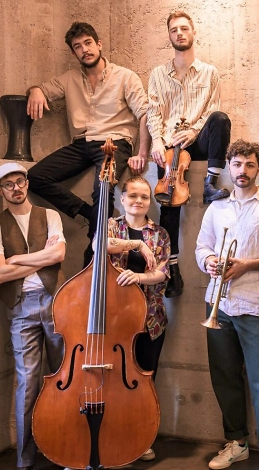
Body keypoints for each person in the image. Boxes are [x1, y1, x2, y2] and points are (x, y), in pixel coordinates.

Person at [194, 140, 259, 470]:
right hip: (217, 303)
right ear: (229, 167)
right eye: (237, 164)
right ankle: (236, 442)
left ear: (258, 167)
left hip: (255, 303)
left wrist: (247, 265)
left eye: (249, 164)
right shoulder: (216, 207)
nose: (242, 170)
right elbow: (201, 247)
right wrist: (209, 261)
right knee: (225, 377)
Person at [25, 21, 150, 264]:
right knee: (35, 177)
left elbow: (145, 114)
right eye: (78, 46)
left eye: (88, 43)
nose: (85, 49)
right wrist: (35, 91)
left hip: (114, 142)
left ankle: (94, 250)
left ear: (99, 44)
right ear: (74, 53)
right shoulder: (69, 78)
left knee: (102, 188)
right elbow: (42, 89)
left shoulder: (125, 76)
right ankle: (88, 214)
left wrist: (142, 152)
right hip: (82, 144)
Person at [0, 163, 67, 470]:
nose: (16, 188)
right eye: (9, 185)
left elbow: (59, 255)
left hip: (57, 303)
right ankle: (25, 459)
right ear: (0, 191)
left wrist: (17, 259)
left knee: (64, 377)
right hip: (21, 308)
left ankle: (66, 448)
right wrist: (42, 258)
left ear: (27, 183)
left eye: (20, 181)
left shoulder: (50, 215)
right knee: (27, 384)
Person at [146, 10, 232, 297]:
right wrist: (157, 142)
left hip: (198, 137)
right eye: (174, 30)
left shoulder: (210, 72)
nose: (179, 33)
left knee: (220, 119)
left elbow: (211, 107)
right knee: (169, 202)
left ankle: (210, 183)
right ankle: (172, 268)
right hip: (170, 143)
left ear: (193, 32)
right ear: (169, 36)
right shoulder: (158, 74)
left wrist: (194, 131)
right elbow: (154, 112)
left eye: (184, 28)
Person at [104, 175, 170, 462]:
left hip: (150, 320)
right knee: (111, 381)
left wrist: (139, 277)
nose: (139, 201)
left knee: (144, 381)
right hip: (113, 319)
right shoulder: (111, 226)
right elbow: (100, 246)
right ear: (122, 199)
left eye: (144, 196)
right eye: (133, 195)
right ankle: (111, 435)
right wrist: (136, 244)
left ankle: (141, 439)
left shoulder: (160, 234)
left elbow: (162, 273)